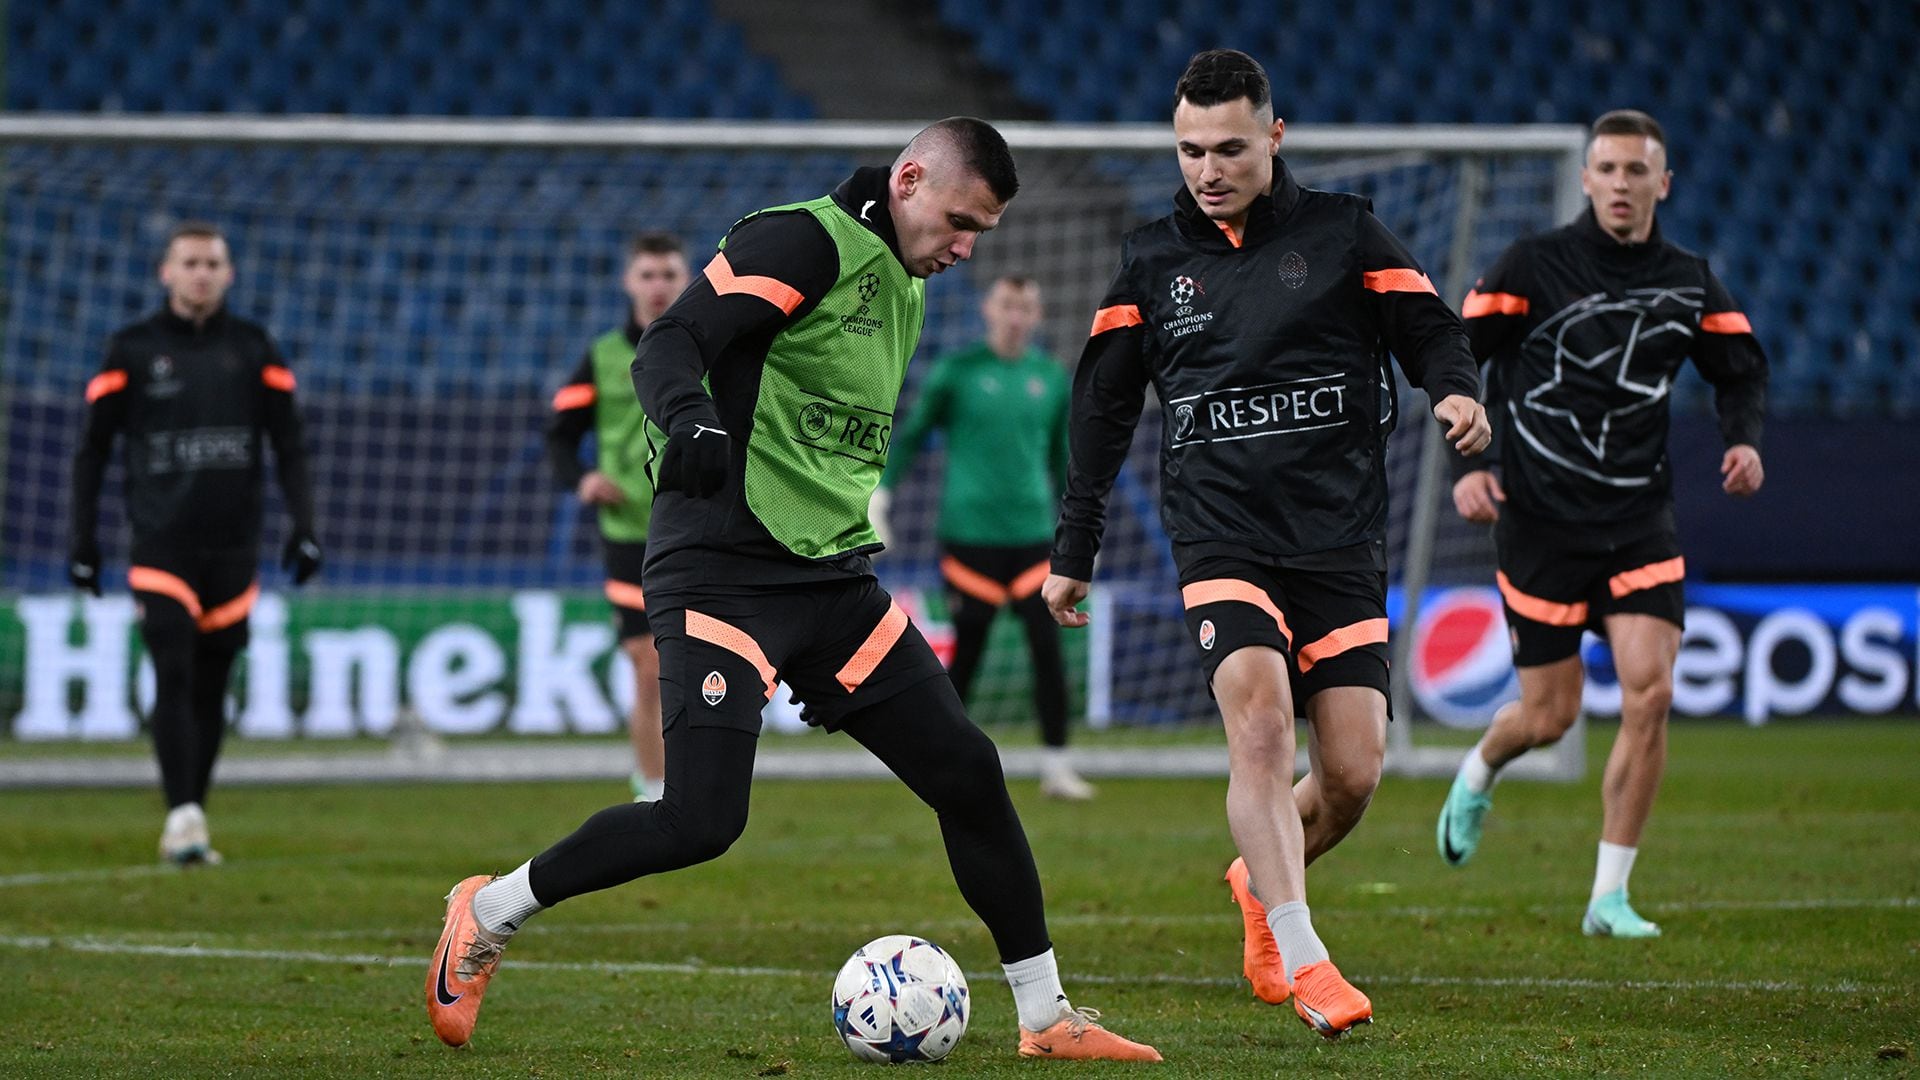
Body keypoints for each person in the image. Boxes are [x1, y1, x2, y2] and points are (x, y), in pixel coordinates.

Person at [424, 118, 1160, 1063]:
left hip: (833, 577)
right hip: (723, 567)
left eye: (983, 233)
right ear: (908, 180)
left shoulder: (905, 282)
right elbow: (671, 340)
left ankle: (1046, 1016)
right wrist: (689, 421)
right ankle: (487, 912)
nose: (967, 248)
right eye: (960, 221)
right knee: (701, 821)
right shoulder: (802, 239)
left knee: (968, 773)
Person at [1041, 50, 1490, 1038]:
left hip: (1336, 538)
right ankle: (1309, 953)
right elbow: (1103, 407)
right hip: (1219, 532)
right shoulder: (1152, 259)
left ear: (1273, 137)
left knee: (1356, 776)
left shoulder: (1345, 232)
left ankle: (1259, 884)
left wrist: (1456, 389)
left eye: (1230, 148)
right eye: (1192, 149)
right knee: (1258, 727)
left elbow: (1429, 328)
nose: (1209, 168)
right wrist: (1076, 542)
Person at [1434, 109, 1768, 938]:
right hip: (1540, 521)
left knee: (1650, 695)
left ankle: (1608, 896)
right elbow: (1452, 356)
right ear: (1586, 179)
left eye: (1636, 170)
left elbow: (1741, 369)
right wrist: (1467, 466)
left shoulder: (1689, 280)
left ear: (1664, 182)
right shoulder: (1531, 265)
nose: (1621, 183)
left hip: (1638, 519)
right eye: (1608, 169)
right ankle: (1481, 766)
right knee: (1549, 718)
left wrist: (1745, 444)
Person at [69, 221, 321, 866]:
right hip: (161, 545)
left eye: (212, 262)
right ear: (167, 271)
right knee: (173, 669)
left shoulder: (256, 348)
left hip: (235, 547)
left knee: (212, 684)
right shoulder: (130, 349)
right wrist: (83, 538)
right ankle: (181, 813)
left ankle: (191, 815)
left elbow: (288, 445)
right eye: (190, 262)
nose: (201, 273)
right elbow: (93, 450)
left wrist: (304, 524)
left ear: (229, 273)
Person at [873, 274, 1090, 800]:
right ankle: (936, 759)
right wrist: (882, 492)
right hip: (969, 535)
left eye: (1026, 307)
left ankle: (1057, 765)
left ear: (1037, 316)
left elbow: (1061, 462)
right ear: (989, 310)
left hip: (1034, 536)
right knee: (966, 653)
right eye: (1007, 305)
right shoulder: (957, 372)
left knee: (1047, 650)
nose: (1016, 316)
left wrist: (1080, 529)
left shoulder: (1051, 378)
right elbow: (915, 434)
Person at [546, 231, 690, 801]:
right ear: (629, 282)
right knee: (649, 665)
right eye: (648, 275)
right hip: (630, 534)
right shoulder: (602, 356)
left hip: (694, 529)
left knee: (697, 666)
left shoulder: (709, 349)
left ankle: (695, 784)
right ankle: (653, 790)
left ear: (688, 279)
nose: (658, 286)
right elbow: (560, 436)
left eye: (669, 275)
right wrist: (582, 478)